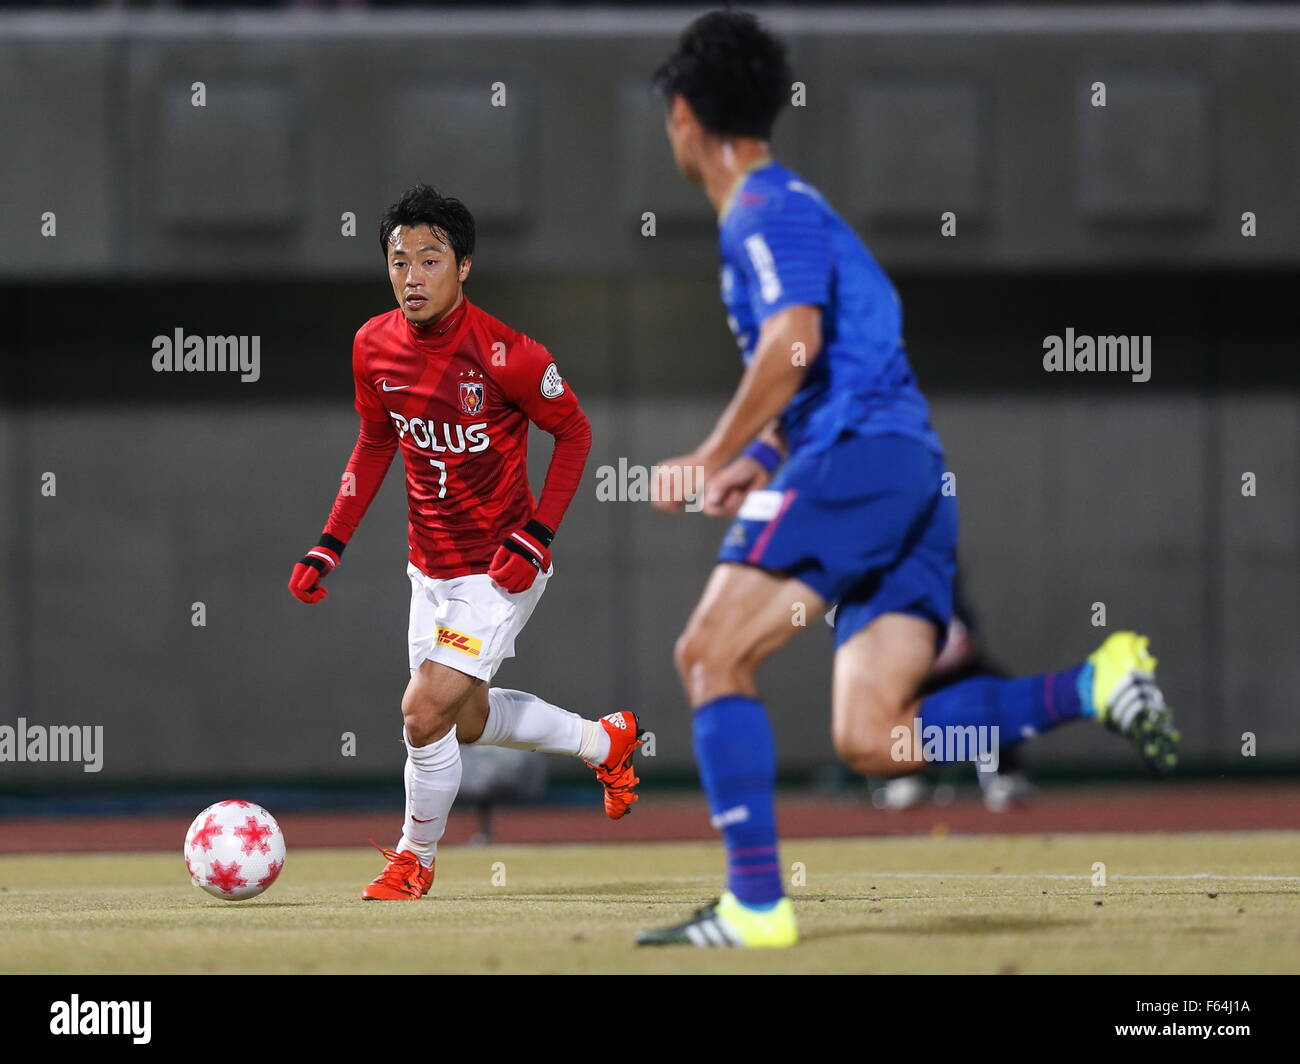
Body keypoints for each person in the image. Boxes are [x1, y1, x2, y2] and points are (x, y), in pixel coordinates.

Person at [638, 11, 1177, 948]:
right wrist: (761, 460)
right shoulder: (803, 207)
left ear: (684, 117)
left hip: (859, 462)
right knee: (876, 738)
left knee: (708, 654)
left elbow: (794, 343)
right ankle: (1088, 688)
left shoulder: (762, 210)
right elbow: (846, 360)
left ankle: (756, 906)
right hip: (906, 471)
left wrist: (717, 451)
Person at [289, 184, 644, 900]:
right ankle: (605, 742)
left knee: (422, 712)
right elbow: (374, 443)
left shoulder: (508, 354)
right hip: (430, 568)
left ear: (464, 267)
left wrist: (538, 535)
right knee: (467, 719)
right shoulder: (372, 346)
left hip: (501, 566)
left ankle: (412, 859)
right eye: (398, 260)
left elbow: (573, 432)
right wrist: (329, 542)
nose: (412, 275)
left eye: (430, 258)